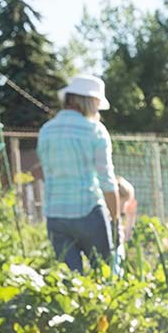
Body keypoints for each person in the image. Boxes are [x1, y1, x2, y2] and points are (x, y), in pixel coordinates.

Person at [37, 74, 121, 273]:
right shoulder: (95, 131)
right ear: (90, 102)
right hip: (89, 212)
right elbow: (107, 181)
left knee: (71, 282)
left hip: (55, 215)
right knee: (105, 274)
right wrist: (116, 221)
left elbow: (47, 172)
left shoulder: (46, 131)